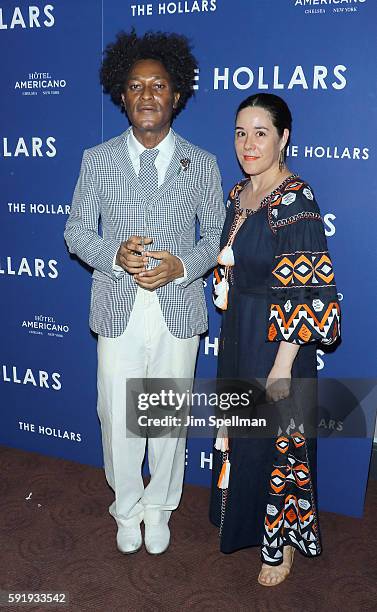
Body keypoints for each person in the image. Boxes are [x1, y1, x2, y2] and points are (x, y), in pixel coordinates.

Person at [64, 29, 224, 556]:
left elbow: (218, 237)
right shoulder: (97, 159)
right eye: (136, 86)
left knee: (167, 417)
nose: (148, 95)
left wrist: (180, 265)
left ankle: (160, 508)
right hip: (117, 305)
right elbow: (76, 231)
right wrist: (114, 253)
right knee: (118, 415)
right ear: (122, 95)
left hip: (176, 309)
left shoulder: (200, 162)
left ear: (176, 96)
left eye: (159, 85)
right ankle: (127, 507)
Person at [210, 93, 340, 586]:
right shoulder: (236, 194)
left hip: (278, 344)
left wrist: (283, 366)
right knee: (245, 438)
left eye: (260, 133)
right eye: (241, 132)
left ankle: (280, 545)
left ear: (284, 138)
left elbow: (307, 289)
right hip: (239, 335)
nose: (248, 143)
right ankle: (243, 522)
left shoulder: (296, 200)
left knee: (277, 443)